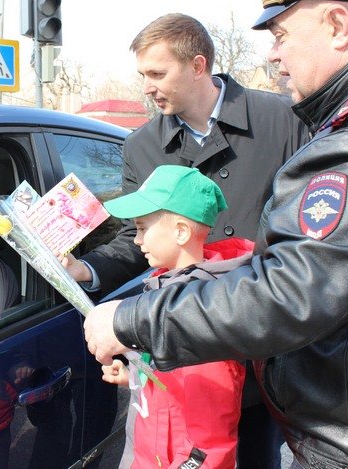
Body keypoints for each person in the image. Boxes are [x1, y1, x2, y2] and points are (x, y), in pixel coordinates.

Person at [83, 0, 348, 466]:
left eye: (280, 35)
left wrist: (131, 322)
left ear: (338, 26)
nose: (272, 52)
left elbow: (290, 289)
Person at [64, 13, 307, 467]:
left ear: (198, 66)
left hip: (263, 341)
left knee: (257, 454)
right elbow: (132, 239)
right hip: (185, 353)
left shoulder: (281, 119)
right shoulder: (141, 146)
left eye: (158, 73)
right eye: (143, 76)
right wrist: (87, 268)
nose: (148, 87)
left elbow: (311, 226)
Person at [98, 165, 247, 468]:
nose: (137, 240)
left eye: (142, 228)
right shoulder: (163, 287)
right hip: (148, 452)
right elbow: (175, 382)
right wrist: (136, 379)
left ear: (180, 231)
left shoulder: (202, 315)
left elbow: (211, 437)